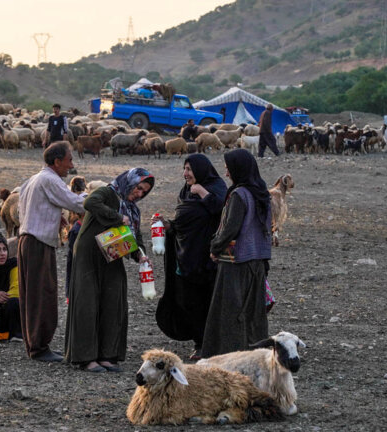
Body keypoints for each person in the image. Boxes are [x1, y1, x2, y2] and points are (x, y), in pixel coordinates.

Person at [65, 168, 154, 373]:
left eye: (144, 192)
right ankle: (86, 358)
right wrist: (115, 216)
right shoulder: (108, 192)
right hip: (90, 253)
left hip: (112, 255)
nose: (139, 193)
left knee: (113, 301)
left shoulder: (132, 209)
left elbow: (134, 235)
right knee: (88, 303)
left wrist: (140, 254)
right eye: (139, 188)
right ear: (130, 182)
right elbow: (89, 203)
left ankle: (107, 355)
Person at [154, 154, 227, 360]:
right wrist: (167, 224)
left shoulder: (216, 187)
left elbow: (221, 211)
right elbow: (182, 224)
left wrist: (203, 192)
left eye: (189, 169)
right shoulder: (185, 191)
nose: (185, 174)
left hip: (208, 257)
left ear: (201, 169)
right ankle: (198, 339)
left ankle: (208, 343)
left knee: (207, 299)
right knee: (189, 300)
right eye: (184, 169)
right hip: (186, 255)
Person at [17, 141, 86, 362]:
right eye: (69, 160)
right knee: (42, 294)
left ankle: (34, 344)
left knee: (31, 295)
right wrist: (100, 198)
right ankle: (39, 347)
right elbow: (77, 203)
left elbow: (28, 209)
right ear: (57, 162)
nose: (71, 165)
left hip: (27, 240)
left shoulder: (34, 179)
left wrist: (55, 217)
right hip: (39, 243)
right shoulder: (51, 180)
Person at [202, 149, 272, 358]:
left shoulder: (238, 195)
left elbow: (230, 228)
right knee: (253, 311)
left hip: (236, 262)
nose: (226, 174)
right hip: (257, 261)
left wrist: (215, 247)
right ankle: (255, 354)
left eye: (228, 169)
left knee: (230, 311)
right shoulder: (261, 192)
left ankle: (229, 355)